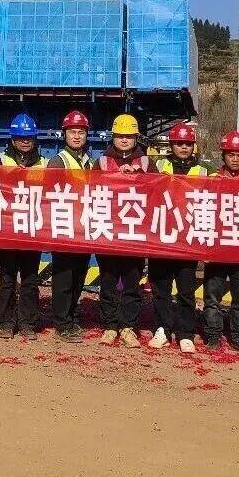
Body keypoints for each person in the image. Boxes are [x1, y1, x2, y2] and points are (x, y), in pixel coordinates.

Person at [95, 113, 150, 349]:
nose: (124, 140)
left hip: (134, 235)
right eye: (120, 136)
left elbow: (157, 192)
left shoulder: (146, 163)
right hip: (108, 232)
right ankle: (109, 326)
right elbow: (91, 191)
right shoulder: (101, 162)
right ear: (113, 137)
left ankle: (128, 327)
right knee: (107, 282)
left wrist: (138, 176)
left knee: (131, 284)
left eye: (129, 136)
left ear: (136, 138)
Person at [150, 122, 202, 354]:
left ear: (193, 146)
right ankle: (162, 328)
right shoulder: (158, 167)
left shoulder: (204, 172)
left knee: (186, 290)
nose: (183, 147)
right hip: (161, 237)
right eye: (179, 143)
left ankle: (185, 334)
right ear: (171, 145)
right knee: (161, 288)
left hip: (187, 241)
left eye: (187, 144)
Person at [0, 113, 47, 339]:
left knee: (30, 278)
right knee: (7, 277)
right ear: (12, 139)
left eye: (29, 137)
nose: (25, 141)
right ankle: (6, 322)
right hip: (7, 229)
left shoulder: (44, 164)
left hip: (32, 230)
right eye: (20, 137)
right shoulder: (0, 161)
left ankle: (28, 323)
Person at [204, 130, 239, 354]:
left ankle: (238, 337)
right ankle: (213, 335)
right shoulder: (211, 180)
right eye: (231, 155)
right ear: (223, 155)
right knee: (212, 296)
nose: (235, 159)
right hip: (217, 248)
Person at [48, 109, 94, 343]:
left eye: (81, 132)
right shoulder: (58, 162)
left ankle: (72, 316)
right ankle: (62, 323)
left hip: (83, 230)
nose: (77, 136)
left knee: (78, 277)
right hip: (65, 229)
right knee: (64, 279)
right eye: (72, 132)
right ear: (64, 134)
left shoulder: (89, 162)